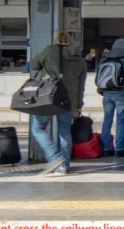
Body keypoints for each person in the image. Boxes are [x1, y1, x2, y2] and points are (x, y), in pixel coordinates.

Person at [29, 31, 87, 176]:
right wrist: (78, 105)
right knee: (65, 131)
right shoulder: (80, 60)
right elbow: (81, 86)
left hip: (49, 98)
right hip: (69, 100)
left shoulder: (50, 50)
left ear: (57, 40)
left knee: (38, 128)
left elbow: (34, 65)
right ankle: (64, 167)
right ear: (71, 42)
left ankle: (55, 158)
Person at [100, 39, 124, 158]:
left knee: (107, 120)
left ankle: (106, 148)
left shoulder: (104, 60)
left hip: (106, 94)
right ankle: (119, 148)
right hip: (122, 94)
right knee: (120, 121)